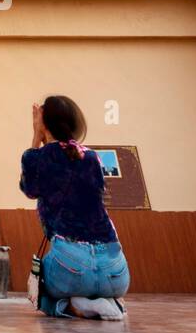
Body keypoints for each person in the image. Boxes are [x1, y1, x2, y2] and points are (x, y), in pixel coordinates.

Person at [21, 94, 130, 320]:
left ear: (44, 124)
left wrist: (35, 135)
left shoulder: (37, 158)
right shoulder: (92, 158)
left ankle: (71, 305)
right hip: (116, 270)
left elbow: (29, 189)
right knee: (101, 282)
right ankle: (111, 302)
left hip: (69, 267)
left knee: (40, 292)